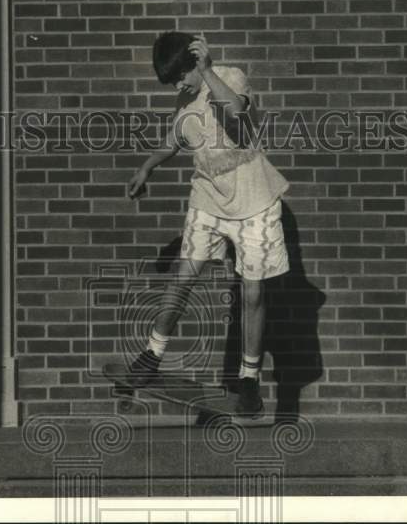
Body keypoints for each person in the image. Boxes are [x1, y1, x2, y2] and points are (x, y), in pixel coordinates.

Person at [124, 31, 290, 420]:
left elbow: (235, 112)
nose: (178, 86)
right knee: (183, 278)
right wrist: (146, 167)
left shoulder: (230, 76)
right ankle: (152, 354)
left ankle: (248, 382)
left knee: (252, 294)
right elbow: (173, 142)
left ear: (193, 63)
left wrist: (207, 70)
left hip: (254, 199)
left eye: (180, 77)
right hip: (208, 200)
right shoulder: (184, 100)